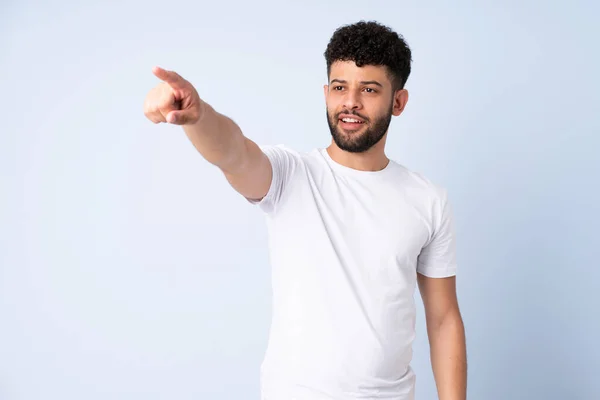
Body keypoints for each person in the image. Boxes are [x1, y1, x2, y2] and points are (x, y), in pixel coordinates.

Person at [143, 20, 467, 400]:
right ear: (326, 92)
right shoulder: (289, 176)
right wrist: (199, 117)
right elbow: (233, 153)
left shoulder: (427, 199)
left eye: (369, 89)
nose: (350, 102)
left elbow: (444, 320)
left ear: (398, 101)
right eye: (340, 87)